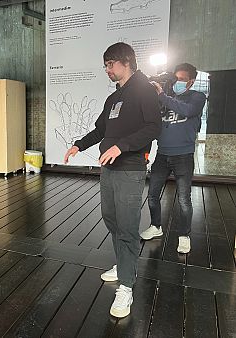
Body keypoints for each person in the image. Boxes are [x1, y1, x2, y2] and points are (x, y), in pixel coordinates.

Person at [64, 42, 161, 318]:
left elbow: (154, 127)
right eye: (105, 64)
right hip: (108, 169)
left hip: (130, 168)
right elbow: (100, 129)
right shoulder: (114, 98)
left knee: (128, 227)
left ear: (125, 62)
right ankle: (124, 263)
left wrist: (123, 146)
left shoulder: (144, 90)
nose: (106, 69)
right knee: (111, 219)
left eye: (110, 64)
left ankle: (126, 286)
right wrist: (79, 145)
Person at [140, 63, 206, 254]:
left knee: (184, 199)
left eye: (181, 79)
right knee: (152, 194)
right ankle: (156, 226)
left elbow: (187, 111)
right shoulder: (166, 98)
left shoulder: (197, 97)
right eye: (175, 79)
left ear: (191, 81)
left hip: (183, 156)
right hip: (162, 154)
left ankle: (184, 236)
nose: (177, 83)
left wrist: (163, 96)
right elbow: (152, 124)